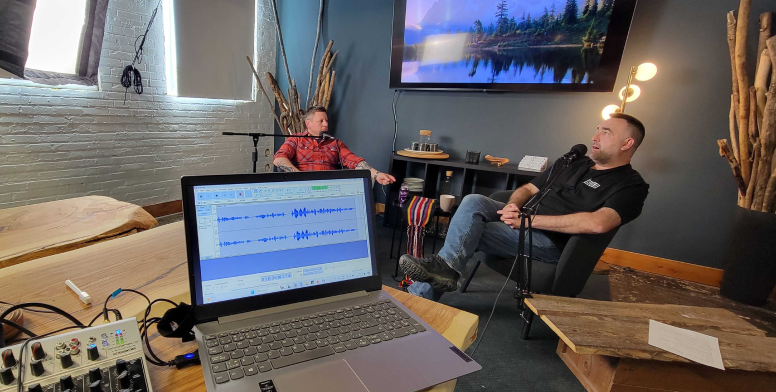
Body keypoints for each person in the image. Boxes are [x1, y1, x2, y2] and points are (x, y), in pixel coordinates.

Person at [400, 113, 650, 301]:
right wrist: (511, 206)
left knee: (474, 230)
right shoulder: (574, 163)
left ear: (626, 144)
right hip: (522, 221)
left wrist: (528, 222)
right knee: (473, 200)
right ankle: (447, 271)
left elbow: (599, 223)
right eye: (597, 130)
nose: (594, 137)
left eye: (605, 132)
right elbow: (529, 189)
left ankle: (417, 296)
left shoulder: (631, 185)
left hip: (550, 242)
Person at [273, 106, 396, 185]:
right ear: (308, 124)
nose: (325, 124)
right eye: (321, 121)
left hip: (329, 188)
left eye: (326, 120)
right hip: (302, 186)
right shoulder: (296, 139)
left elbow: (354, 161)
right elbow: (279, 159)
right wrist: (300, 177)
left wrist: (377, 174)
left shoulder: (335, 143)